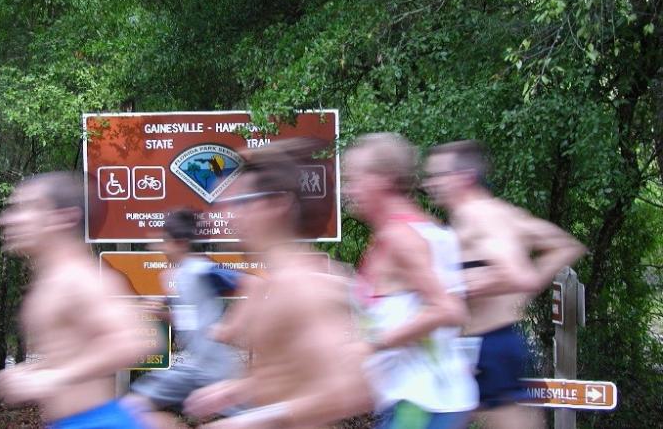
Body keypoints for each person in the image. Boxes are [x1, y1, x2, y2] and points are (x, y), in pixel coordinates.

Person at [183, 141, 373, 429]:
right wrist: (237, 390)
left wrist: (248, 421)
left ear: (277, 203)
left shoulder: (303, 286)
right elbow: (298, 373)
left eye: (240, 203)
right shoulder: (274, 282)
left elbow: (352, 390)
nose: (228, 215)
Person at [423, 140, 586, 429]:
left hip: (489, 345)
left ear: (464, 177)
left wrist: (464, 285)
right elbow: (565, 245)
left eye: (438, 175)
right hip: (492, 343)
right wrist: (531, 282)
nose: (430, 183)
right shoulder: (504, 214)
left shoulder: (477, 215)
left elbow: (516, 274)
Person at [0, 172, 158, 429]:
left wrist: (54, 377)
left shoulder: (80, 277)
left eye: (25, 208)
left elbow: (133, 340)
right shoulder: (53, 281)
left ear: (63, 218)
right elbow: (75, 350)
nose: (7, 220)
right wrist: (37, 370)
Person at [343, 133, 478, 429]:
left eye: (354, 179)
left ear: (384, 180)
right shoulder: (428, 229)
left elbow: (450, 309)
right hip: (434, 397)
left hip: (420, 404)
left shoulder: (400, 238)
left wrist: (371, 345)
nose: (347, 189)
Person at [126, 209, 243, 426]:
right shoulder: (175, 275)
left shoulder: (202, 269)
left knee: (251, 420)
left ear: (180, 243)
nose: (160, 247)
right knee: (133, 406)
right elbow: (187, 322)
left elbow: (252, 284)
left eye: (165, 241)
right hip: (193, 366)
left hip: (218, 369)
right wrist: (160, 313)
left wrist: (229, 327)